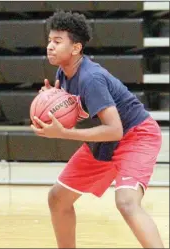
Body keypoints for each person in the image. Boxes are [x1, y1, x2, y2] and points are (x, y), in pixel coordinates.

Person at [31, 11, 164, 248]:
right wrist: (52, 100)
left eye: (57, 41)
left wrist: (64, 133)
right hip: (103, 142)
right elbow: (81, 115)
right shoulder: (64, 72)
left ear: (76, 48)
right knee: (58, 198)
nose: (50, 46)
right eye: (49, 41)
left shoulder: (91, 78)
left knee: (126, 202)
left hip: (136, 136)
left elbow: (115, 130)